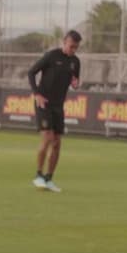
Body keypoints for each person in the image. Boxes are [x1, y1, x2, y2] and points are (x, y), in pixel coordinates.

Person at [28, 31, 82, 193]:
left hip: (59, 106)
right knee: (48, 138)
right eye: (71, 46)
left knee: (57, 143)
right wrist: (37, 93)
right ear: (64, 42)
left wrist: (75, 83)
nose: (73, 50)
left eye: (76, 47)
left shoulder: (75, 62)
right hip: (44, 103)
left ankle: (49, 178)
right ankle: (38, 175)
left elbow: (75, 80)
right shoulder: (51, 56)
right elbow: (31, 72)